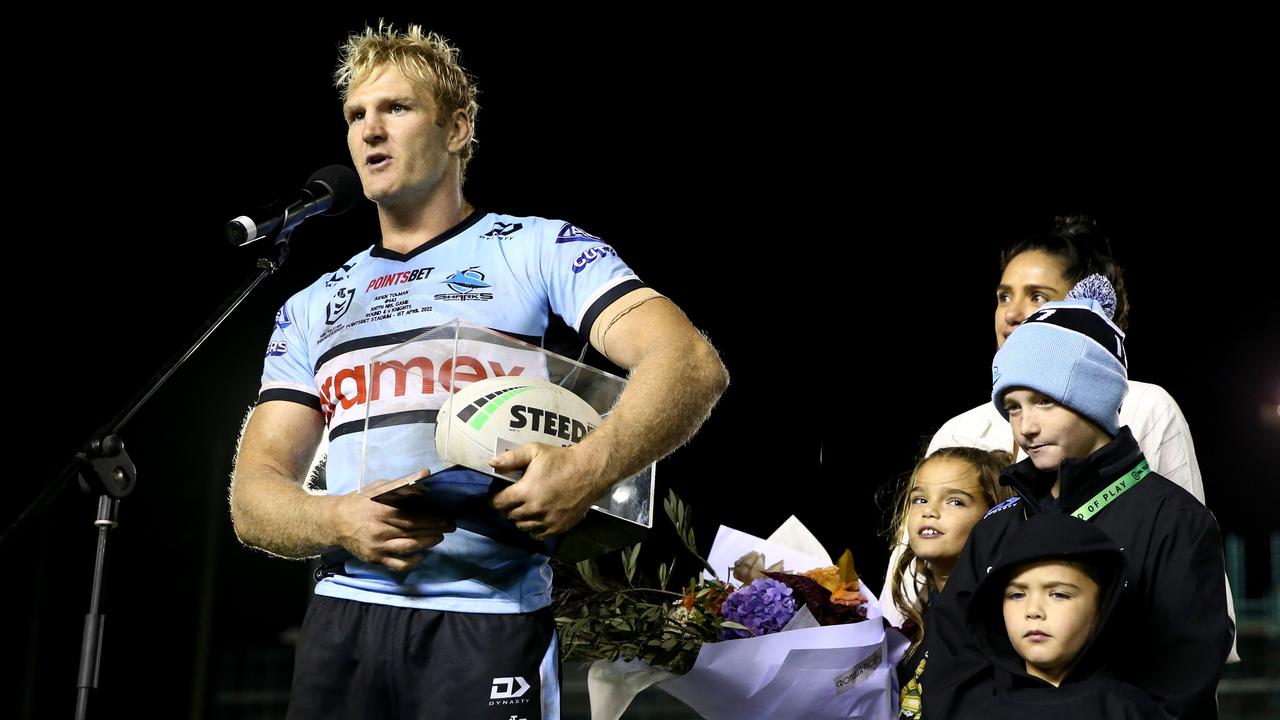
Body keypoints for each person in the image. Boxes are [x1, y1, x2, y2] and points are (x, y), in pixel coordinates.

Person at [228, 24, 728, 720]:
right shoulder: (311, 305)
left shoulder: (540, 247)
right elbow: (254, 495)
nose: (371, 129)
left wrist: (589, 466)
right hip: (343, 622)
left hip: (488, 620)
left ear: (458, 128)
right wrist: (336, 517)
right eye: (356, 115)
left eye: (396, 108)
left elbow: (689, 362)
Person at [922, 275, 1231, 719]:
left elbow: (1180, 691)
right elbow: (951, 679)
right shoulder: (996, 526)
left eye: (1045, 402)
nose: (1025, 426)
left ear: (1095, 397)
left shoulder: (1176, 521)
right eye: (1013, 406)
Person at [958, 512, 1170, 719]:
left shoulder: (1130, 709)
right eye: (1017, 595)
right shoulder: (982, 714)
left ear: (1102, 606)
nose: (1033, 611)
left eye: (1058, 594)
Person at [886, 446, 1013, 719]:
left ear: (994, 515)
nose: (930, 511)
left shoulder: (1003, 624)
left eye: (955, 501)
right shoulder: (921, 621)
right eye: (919, 499)